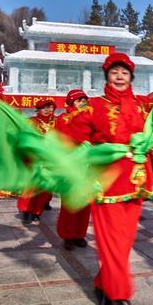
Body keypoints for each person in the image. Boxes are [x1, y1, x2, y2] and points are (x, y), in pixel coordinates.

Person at [68, 53, 153, 305]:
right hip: (105, 181)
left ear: (131, 77)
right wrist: (88, 153)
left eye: (125, 73)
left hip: (136, 178)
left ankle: (102, 284)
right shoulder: (93, 107)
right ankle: (119, 296)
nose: (119, 76)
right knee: (111, 240)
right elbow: (71, 136)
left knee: (124, 241)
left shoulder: (142, 106)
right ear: (106, 76)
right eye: (114, 72)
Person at [55, 89, 91, 250]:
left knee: (84, 203)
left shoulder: (91, 119)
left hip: (87, 166)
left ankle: (79, 234)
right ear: (70, 103)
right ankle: (67, 235)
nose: (82, 103)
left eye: (84, 100)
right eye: (78, 101)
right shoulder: (63, 119)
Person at [17, 98, 56, 224]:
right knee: (31, 186)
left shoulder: (56, 122)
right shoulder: (31, 122)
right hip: (34, 159)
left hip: (50, 160)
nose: (47, 110)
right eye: (43, 108)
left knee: (45, 188)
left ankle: (36, 212)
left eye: (49, 107)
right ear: (38, 109)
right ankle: (26, 210)